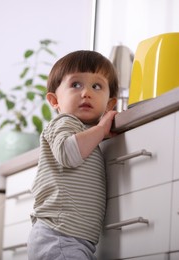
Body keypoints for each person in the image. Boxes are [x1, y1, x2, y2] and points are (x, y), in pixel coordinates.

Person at [27, 50, 119, 259]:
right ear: (54, 100)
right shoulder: (64, 122)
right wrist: (102, 129)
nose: (86, 92)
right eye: (76, 84)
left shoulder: (82, 131)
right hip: (58, 234)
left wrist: (99, 134)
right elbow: (68, 153)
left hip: (71, 237)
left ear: (110, 104)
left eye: (96, 86)